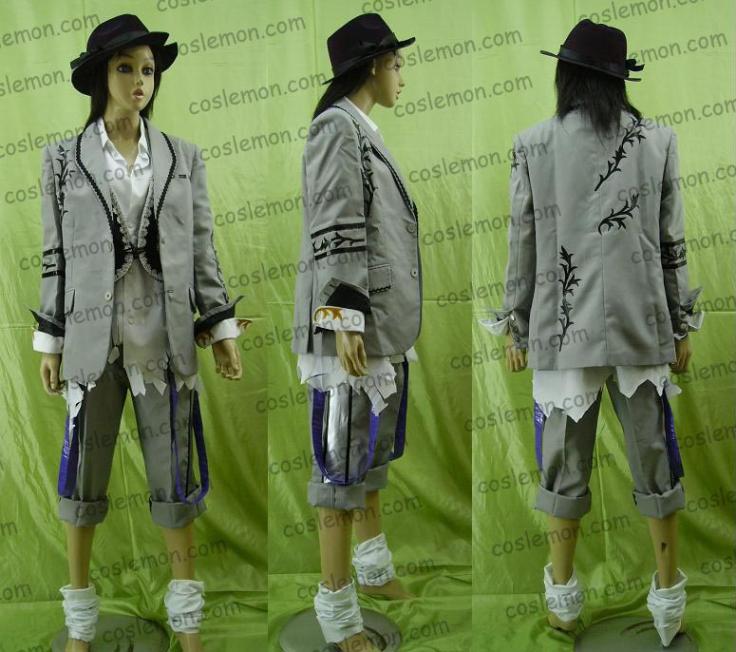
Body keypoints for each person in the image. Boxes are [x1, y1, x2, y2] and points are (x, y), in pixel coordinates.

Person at [479, 19, 703, 648]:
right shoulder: (657, 141)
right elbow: (672, 244)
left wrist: (515, 325)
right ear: (617, 79)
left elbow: (522, 246)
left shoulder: (533, 144)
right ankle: (668, 602)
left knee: (562, 469)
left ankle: (562, 602)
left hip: (562, 328)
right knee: (655, 463)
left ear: (567, 75)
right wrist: (680, 323)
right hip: (642, 325)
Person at [30, 14, 246, 652]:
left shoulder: (183, 157)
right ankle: (80, 623)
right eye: (125, 68)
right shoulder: (62, 160)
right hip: (90, 342)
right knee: (82, 481)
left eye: (147, 69)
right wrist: (52, 340)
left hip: (164, 341)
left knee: (174, 481)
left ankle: (188, 622)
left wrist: (221, 328)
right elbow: (55, 256)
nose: (139, 81)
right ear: (101, 76)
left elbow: (202, 250)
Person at [291, 13, 422, 652]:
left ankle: (372, 571)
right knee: (340, 471)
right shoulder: (335, 129)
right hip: (347, 330)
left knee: (366, 461)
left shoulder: (360, 130)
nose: (403, 77)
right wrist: (343, 319)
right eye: (397, 64)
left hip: (373, 327)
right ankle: (338, 613)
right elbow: (335, 225)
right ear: (373, 66)